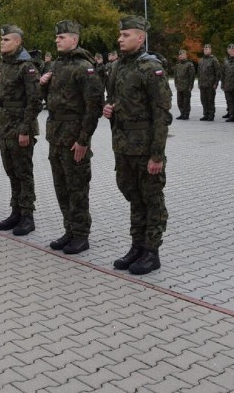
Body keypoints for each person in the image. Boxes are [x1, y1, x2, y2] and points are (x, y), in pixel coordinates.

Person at [104, 16, 172, 275]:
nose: (120, 39)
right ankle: (137, 246)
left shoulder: (151, 68)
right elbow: (116, 99)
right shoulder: (119, 66)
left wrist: (157, 156)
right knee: (134, 196)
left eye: (126, 35)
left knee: (152, 198)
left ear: (140, 38)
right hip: (123, 146)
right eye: (119, 35)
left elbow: (161, 115)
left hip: (145, 148)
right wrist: (109, 108)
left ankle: (151, 252)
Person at [39, 20, 103, 255]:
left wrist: (84, 140)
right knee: (61, 187)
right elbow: (49, 100)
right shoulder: (56, 65)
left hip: (74, 136)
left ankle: (81, 235)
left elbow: (93, 106)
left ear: (74, 40)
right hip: (56, 136)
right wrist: (43, 85)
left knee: (77, 187)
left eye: (62, 37)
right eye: (56, 37)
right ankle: (69, 229)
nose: (57, 40)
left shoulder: (84, 67)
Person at [0, 25, 42, 235]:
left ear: (17, 42)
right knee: (11, 172)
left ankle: (27, 216)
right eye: (1, 39)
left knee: (23, 172)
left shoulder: (26, 66)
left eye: (6, 40)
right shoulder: (6, 65)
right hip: (5, 127)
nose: (2, 42)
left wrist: (25, 130)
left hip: (20, 128)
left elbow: (35, 101)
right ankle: (16, 212)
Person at [197, 44, 220, 121]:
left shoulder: (214, 60)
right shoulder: (201, 60)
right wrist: (199, 83)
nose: (205, 50)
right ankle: (205, 114)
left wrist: (216, 83)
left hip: (210, 84)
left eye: (207, 49)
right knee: (203, 100)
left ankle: (211, 115)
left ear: (210, 50)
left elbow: (218, 73)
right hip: (202, 84)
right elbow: (199, 73)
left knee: (210, 100)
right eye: (204, 49)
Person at [174, 49, 195, 120]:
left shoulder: (189, 64)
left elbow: (192, 76)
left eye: (182, 55)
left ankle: (186, 114)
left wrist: (190, 86)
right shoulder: (177, 65)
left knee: (186, 102)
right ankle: (182, 113)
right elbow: (175, 76)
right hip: (179, 86)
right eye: (180, 55)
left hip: (186, 86)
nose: (181, 56)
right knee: (179, 102)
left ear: (186, 56)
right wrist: (176, 84)